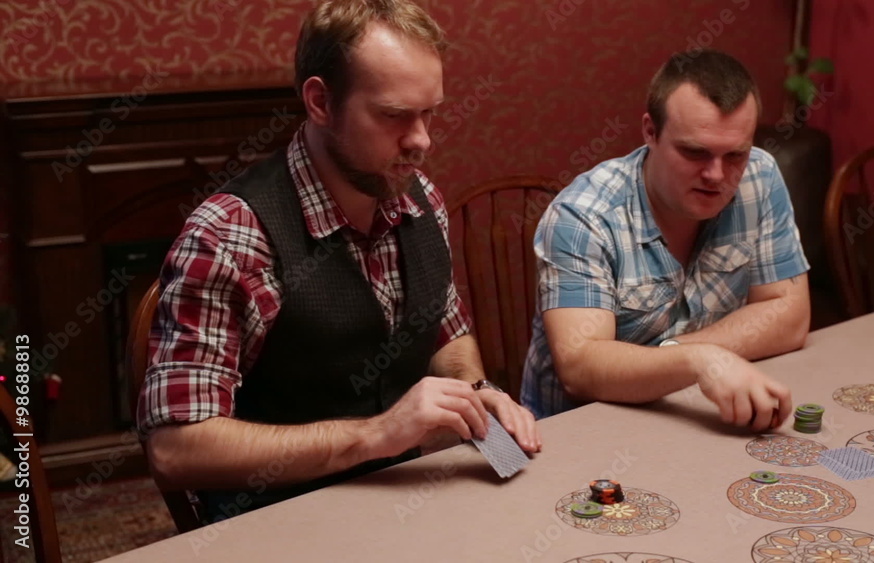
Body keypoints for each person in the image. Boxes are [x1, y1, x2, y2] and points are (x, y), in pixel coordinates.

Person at [136, 0, 540, 522]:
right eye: (394, 115)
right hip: (279, 522)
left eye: (430, 112)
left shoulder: (422, 202)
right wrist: (376, 435)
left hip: (402, 502)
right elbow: (174, 450)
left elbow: (445, 328)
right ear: (320, 102)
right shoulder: (231, 234)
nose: (422, 140)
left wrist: (476, 390)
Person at [520, 50, 811, 430]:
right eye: (695, 152)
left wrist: (678, 355)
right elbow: (581, 368)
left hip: (695, 415)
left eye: (735, 154)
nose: (716, 174)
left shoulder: (760, 175)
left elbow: (788, 315)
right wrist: (700, 362)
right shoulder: (582, 215)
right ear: (650, 132)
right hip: (579, 433)